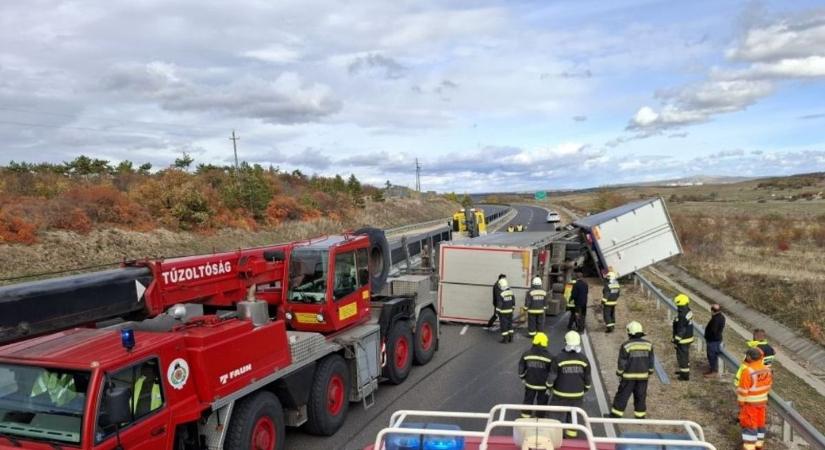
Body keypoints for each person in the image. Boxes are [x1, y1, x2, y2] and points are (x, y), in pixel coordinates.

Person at [549, 331, 591, 438]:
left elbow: (552, 377)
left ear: (565, 342)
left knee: (557, 416)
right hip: (577, 395)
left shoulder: (558, 358)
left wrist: (548, 387)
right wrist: (585, 389)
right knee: (573, 416)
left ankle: (558, 436)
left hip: (560, 394)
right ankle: (571, 436)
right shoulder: (584, 359)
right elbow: (587, 378)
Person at [610, 321, 654, 419]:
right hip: (643, 376)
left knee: (622, 395)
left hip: (628, 377)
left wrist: (619, 373)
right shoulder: (648, 345)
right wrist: (650, 371)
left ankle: (616, 415)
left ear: (629, 332)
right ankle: (640, 416)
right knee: (640, 396)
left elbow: (622, 361)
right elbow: (651, 360)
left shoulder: (626, 345)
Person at [737, 348, 773, 450]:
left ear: (749, 357)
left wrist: (740, 402)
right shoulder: (767, 370)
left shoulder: (747, 371)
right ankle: (758, 445)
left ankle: (749, 447)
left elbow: (743, 390)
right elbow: (769, 385)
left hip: (750, 404)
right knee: (760, 424)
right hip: (762, 403)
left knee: (750, 426)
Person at [518, 332, 552, 418]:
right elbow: (552, 372)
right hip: (543, 386)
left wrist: (523, 378)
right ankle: (539, 417)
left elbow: (521, 367)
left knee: (528, 400)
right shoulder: (550, 357)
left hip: (530, 383)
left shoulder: (526, 354)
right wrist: (549, 385)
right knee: (542, 402)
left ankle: (525, 415)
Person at [672, 293, 694, 381]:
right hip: (688, 338)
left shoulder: (682, 315)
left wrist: (676, 339)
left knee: (682, 357)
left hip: (683, 339)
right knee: (684, 356)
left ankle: (684, 375)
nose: (677, 306)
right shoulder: (688, 311)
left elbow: (681, 329)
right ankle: (683, 371)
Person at [704, 304, 726, 377]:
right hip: (716, 339)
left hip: (713, 341)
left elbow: (713, 331)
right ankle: (712, 369)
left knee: (712, 356)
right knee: (712, 355)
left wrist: (708, 337)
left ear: (713, 311)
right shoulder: (721, 317)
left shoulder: (715, 319)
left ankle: (714, 371)